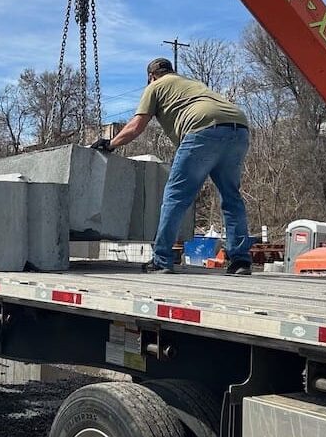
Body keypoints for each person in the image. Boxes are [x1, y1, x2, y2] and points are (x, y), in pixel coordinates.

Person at [91, 57, 253, 275]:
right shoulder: (191, 84)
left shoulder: (155, 86)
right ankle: (240, 261)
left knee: (175, 197)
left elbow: (136, 125)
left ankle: (161, 259)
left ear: (151, 76)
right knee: (231, 198)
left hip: (202, 129)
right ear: (172, 70)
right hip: (239, 128)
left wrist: (110, 144)